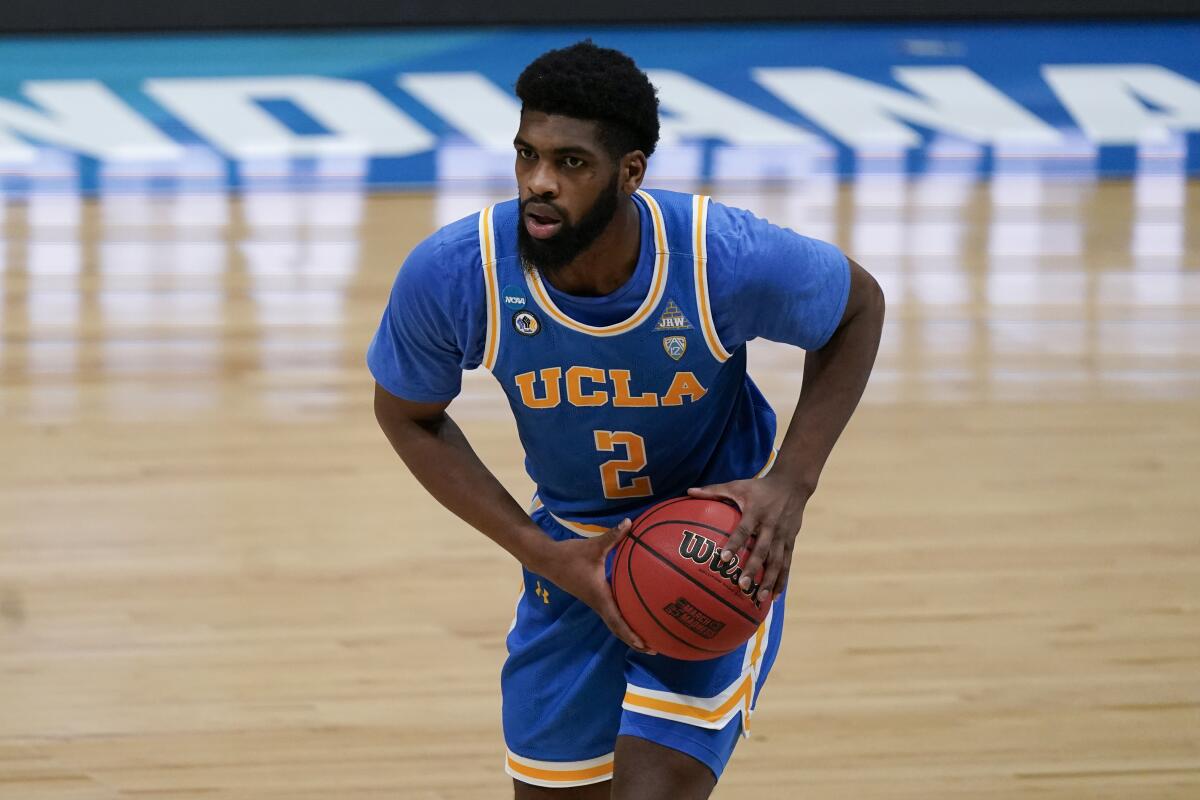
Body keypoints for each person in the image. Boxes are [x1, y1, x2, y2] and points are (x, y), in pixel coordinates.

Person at [368, 40, 885, 800]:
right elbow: (407, 416)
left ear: (631, 172)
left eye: (571, 163)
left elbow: (858, 307)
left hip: (709, 549)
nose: (539, 182)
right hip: (572, 552)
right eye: (526, 155)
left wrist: (791, 483)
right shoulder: (458, 272)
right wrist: (535, 549)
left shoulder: (719, 256)